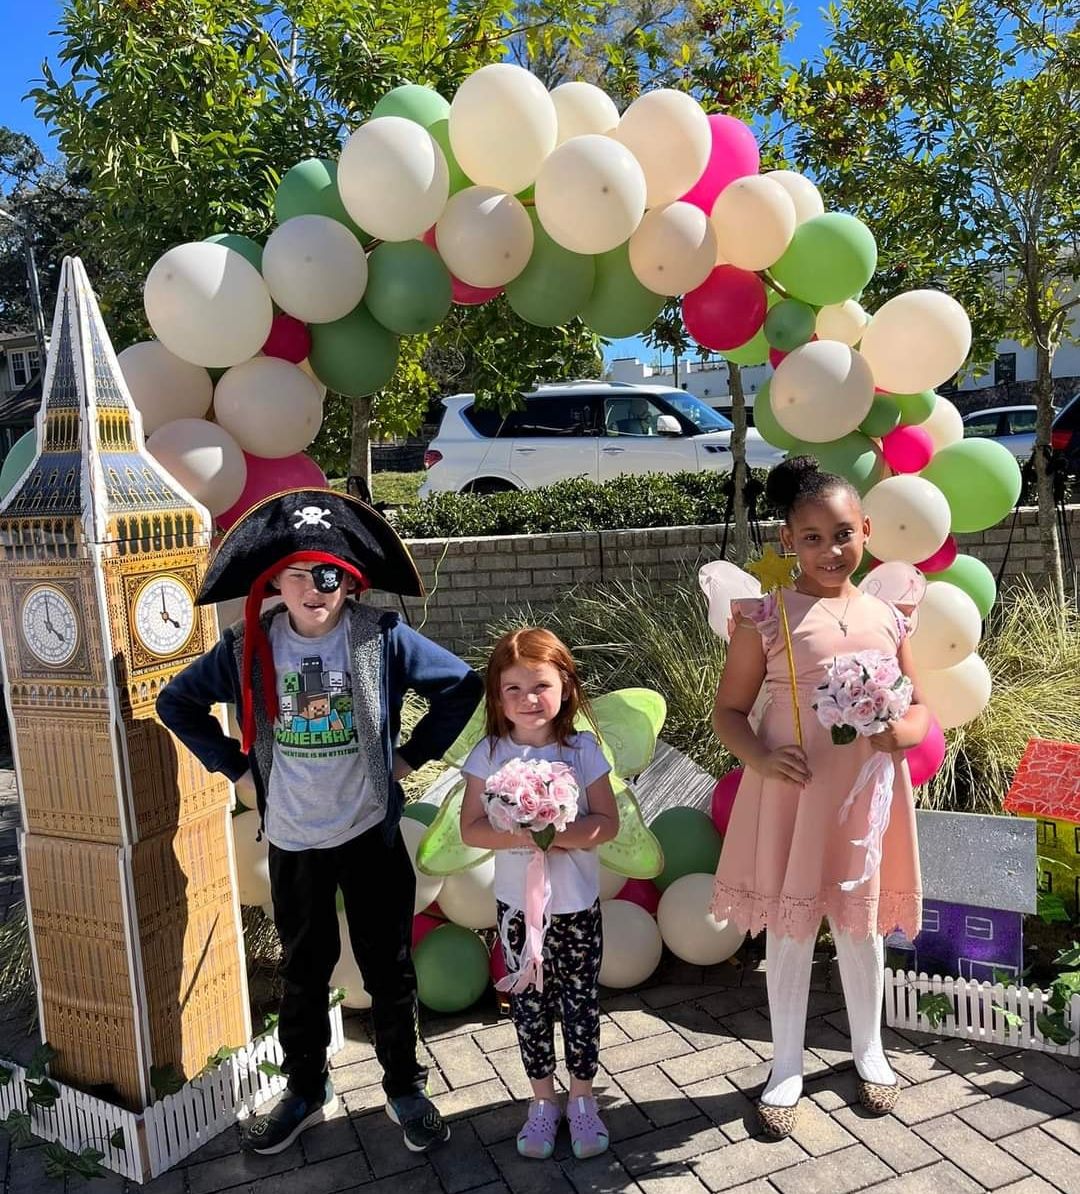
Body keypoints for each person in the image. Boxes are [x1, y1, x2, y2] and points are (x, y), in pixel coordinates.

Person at [157, 489, 482, 1157]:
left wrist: (408, 758)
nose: (314, 588)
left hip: (369, 834)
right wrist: (236, 770)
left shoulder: (379, 637)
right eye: (298, 574)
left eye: (329, 574)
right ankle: (306, 1089)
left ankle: (404, 1087)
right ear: (274, 581)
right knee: (304, 971)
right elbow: (177, 702)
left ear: (350, 581)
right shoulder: (248, 646)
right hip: (294, 839)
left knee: (389, 968)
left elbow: (460, 686)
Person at [710, 457, 928, 1138]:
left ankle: (870, 1050)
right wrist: (760, 758)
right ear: (788, 541)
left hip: (866, 800)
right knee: (792, 928)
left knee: (862, 926)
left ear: (866, 531)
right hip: (794, 797)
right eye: (812, 538)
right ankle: (785, 1064)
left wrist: (903, 731)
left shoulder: (889, 616)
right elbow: (728, 711)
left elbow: (921, 706)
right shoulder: (768, 617)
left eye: (842, 535)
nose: (830, 551)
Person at [459, 628, 618, 1161]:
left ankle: (582, 1098)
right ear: (497, 695)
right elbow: (471, 829)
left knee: (580, 1002)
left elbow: (607, 823)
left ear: (566, 686)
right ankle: (543, 1101)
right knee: (528, 1004)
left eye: (541, 686)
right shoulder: (489, 754)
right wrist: (521, 832)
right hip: (517, 910)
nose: (529, 699)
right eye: (514, 689)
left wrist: (555, 829)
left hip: (576, 909)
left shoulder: (582, 750)